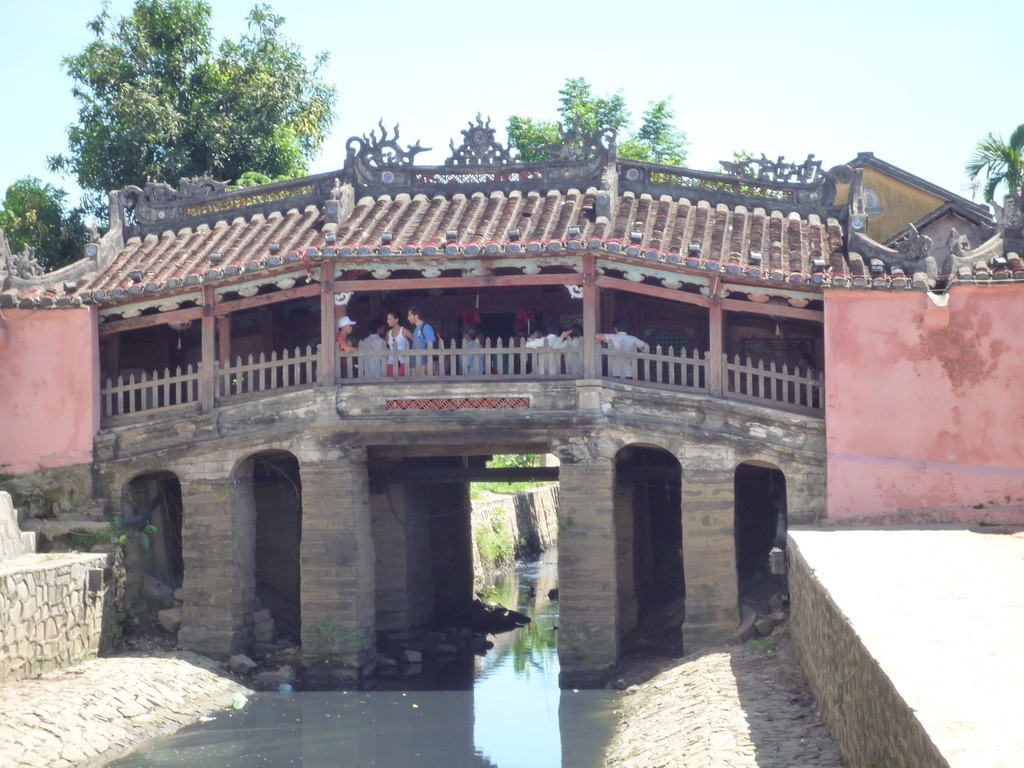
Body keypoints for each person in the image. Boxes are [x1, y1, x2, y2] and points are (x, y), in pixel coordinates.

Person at [407, 306, 437, 373]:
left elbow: (431, 345)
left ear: (416, 316)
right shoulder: (416, 330)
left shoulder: (426, 327)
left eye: (410, 315)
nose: (408, 318)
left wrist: (428, 364)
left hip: (423, 365)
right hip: (415, 365)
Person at [384, 310, 412, 377]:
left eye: (390, 319)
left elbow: (415, 342)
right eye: (387, 319)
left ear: (396, 320)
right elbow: (384, 346)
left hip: (402, 362)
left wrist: (408, 353)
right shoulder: (388, 333)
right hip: (390, 362)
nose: (387, 321)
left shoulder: (404, 331)